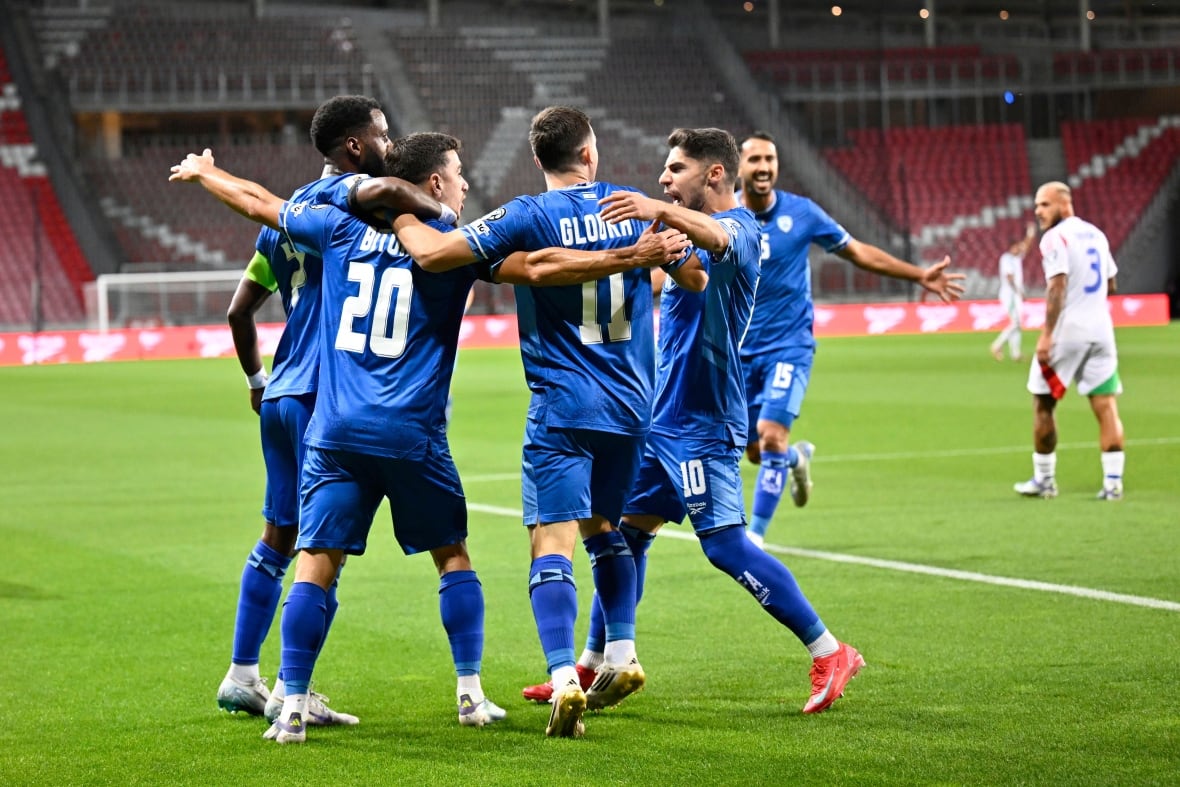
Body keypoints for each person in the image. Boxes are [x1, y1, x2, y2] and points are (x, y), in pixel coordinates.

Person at [172, 133, 688, 744]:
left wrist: (209, 174)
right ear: (436, 184)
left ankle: (289, 708)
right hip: (414, 434)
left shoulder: (335, 230)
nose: (467, 185)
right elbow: (536, 268)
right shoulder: (456, 252)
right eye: (459, 174)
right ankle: (471, 695)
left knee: (315, 561)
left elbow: (260, 203)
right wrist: (632, 258)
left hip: (336, 432)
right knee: (453, 556)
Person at [531, 126, 864, 715]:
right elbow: (667, 266)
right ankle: (589, 665)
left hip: (704, 422)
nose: (664, 179)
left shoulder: (743, 230)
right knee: (622, 536)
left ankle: (830, 650)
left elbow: (713, 236)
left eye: (676, 169)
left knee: (725, 545)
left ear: (714, 174)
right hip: (663, 419)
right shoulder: (686, 229)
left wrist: (656, 209)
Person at [389, 106, 674, 738]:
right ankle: (622, 654)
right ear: (591, 156)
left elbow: (439, 255)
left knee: (551, 543)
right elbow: (694, 271)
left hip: (565, 404)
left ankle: (565, 676)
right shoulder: (637, 209)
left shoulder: (525, 215)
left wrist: (403, 214)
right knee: (609, 531)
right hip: (631, 407)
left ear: (539, 160)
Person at [216, 95, 448, 727]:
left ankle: (243, 673)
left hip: (284, 390)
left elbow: (239, 311)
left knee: (277, 536)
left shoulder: (285, 215)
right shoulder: (362, 203)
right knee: (323, 550)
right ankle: (294, 693)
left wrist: (258, 379)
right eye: (381, 133)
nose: (390, 141)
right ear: (354, 146)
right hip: (335, 393)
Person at [736, 131, 965, 547]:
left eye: (770, 159)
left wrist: (918, 275)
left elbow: (857, 252)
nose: (764, 167)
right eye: (755, 160)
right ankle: (796, 459)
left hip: (789, 346)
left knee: (771, 434)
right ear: (739, 166)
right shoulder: (724, 217)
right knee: (756, 450)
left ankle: (756, 536)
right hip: (739, 351)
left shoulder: (802, 213)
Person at [1014, 181, 1125, 501]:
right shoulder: (1097, 234)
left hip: (1067, 334)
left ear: (1065, 204)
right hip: (1102, 332)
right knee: (1106, 407)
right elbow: (1111, 283)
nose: (1038, 211)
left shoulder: (1054, 238)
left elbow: (1057, 286)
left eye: (1045, 205)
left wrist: (1047, 336)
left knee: (1043, 403)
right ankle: (1113, 483)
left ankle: (1045, 481)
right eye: (1036, 205)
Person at [990, 224, 1036, 361]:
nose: (1020, 248)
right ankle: (996, 345)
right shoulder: (1006, 259)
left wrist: (1030, 234)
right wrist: (1019, 292)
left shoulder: (1016, 258)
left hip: (1014, 296)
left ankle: (1015, 354)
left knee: (1017, 323)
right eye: (1017, 246)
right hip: (1009, 295)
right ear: (1012, 247)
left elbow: (1026, 246)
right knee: (1015, 322)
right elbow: (1009, 278)